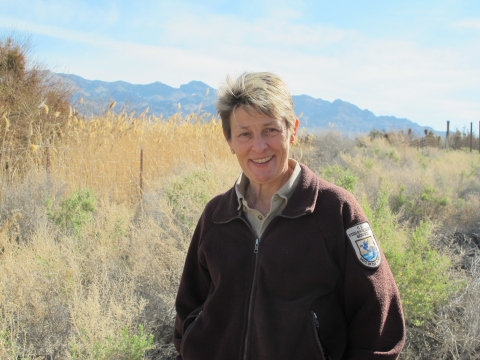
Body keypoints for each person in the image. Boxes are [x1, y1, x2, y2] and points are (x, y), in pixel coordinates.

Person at [173, 72, 405, 360]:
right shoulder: (216, 216)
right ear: (229, 140)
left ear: (292, 130)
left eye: (270, 130)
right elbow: (189, 308)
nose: (259, 147)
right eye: (245, 133)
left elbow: (379, 320)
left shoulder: (335, 210)